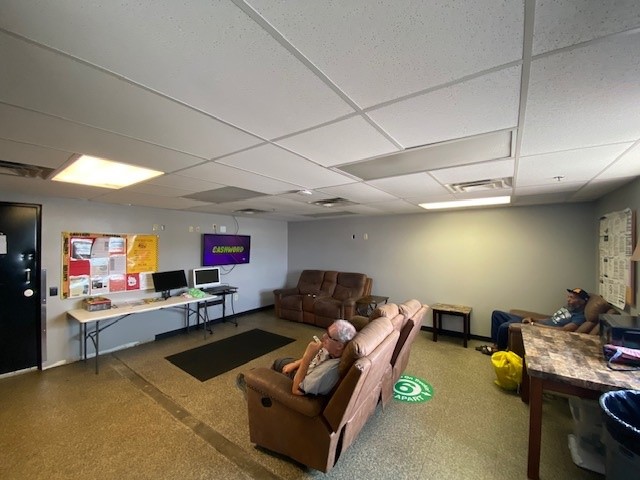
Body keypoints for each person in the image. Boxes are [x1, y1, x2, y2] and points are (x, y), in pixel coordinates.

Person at [236, 319, 356, 397]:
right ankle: (265, 390)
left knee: (272, 369)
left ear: (340, 345)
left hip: (300, 381)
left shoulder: (328, 372)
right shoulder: (335, 350)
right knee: (279, 362)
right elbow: (317, 357)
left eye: (328, 336)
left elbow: (297, 390)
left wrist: (307, 355)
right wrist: (296, 363)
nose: (323, 336)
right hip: (307, 369)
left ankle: (254, 391)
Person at [476, 287, 590, 355]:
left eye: (572, 298)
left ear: (582, 302)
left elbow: (564, 331)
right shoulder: (567, 308)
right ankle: (496, 345)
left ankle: (498, 350)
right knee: (497, 314)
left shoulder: (579, 317)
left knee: (505, 326)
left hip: (537, 328)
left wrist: (534, 325)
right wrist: (533, 318)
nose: (569, 300)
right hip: (534, 323)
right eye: (568, 297)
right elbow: (551, 319)